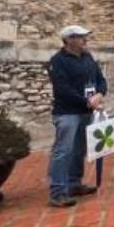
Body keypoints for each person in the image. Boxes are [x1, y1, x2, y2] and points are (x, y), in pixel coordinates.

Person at [47, 25, 107, 208]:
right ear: (69, 40)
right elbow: (62, 89)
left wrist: (99, 94)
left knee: (79, 149)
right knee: (62, 151)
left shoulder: (88, 57)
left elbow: (100, 79)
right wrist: (86, 101)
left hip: (85, 111)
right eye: (81, 37)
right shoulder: (58, 61)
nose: (85, 40)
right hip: (67, 113)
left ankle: (74, 183)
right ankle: (57, 191)